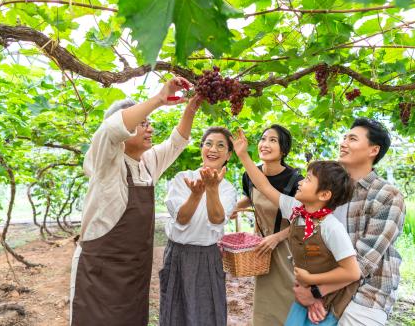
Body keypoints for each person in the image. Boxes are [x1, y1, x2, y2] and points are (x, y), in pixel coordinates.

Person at [69, 77, 202, 326]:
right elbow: (110, 129)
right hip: (100, 271)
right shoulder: (107, 162)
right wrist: (159, 99)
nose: (149, 128)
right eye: (142, 123)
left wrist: (190, 109)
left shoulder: (147, 163)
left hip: (134, 272)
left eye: (149, 124)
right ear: (125, 129)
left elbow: (176, 143)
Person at [232, 130, 360, 325]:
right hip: (304, 291)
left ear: (324, 195)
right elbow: (264, 187)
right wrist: (243, 155)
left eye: (308, 179)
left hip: (328, 298)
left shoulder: (331, 227)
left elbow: (352, 273)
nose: (302, 182)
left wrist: (313, 281)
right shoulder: (296, 209)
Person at [294, 118, 406, 326]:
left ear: (373, 150)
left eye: (352, 139)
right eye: (344, 137)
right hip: (322, 286)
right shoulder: (328, 189)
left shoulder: (388, 196)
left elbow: (362, 263)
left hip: (366, 295)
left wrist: (316, 292)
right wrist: (309, 289)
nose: (343, 143)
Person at [159, 127, 237, 326]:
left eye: (221, 145)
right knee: (174, 312)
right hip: (178, 254)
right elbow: (182, 219)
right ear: (202, 148)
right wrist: (195, 195)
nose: (213, 149)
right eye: (208, 143)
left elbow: (217, 219)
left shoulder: (228, 189)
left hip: (208, 256)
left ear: (228, 155)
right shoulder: (182, 178)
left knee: (207, 313)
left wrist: (211, 189)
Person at [231, 125, 302, 325]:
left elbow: (304, 219)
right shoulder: (250, 175)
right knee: (264, 305)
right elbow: (251, 196)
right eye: (263, 139)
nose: (265, 144)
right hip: (262, 247)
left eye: (273, 140)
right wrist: (234, 208)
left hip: (287, 247)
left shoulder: (295, 180)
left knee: (289, 298)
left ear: (284, 150)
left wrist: (277, 237)